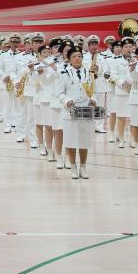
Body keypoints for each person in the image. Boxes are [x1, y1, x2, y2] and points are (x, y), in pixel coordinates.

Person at [56, 47, 96, 179]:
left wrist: (93, 100)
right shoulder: (64, 73)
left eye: (79, 56)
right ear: (69, 59)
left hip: (85, 111)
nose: (77, 58)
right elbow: (59, 93)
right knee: (71, 141)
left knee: (84, 141)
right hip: (70, 112)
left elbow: (93, 91)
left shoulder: (88, 73)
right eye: (74, 56)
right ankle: (73, 167)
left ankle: (83, 167)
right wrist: (67, 101)